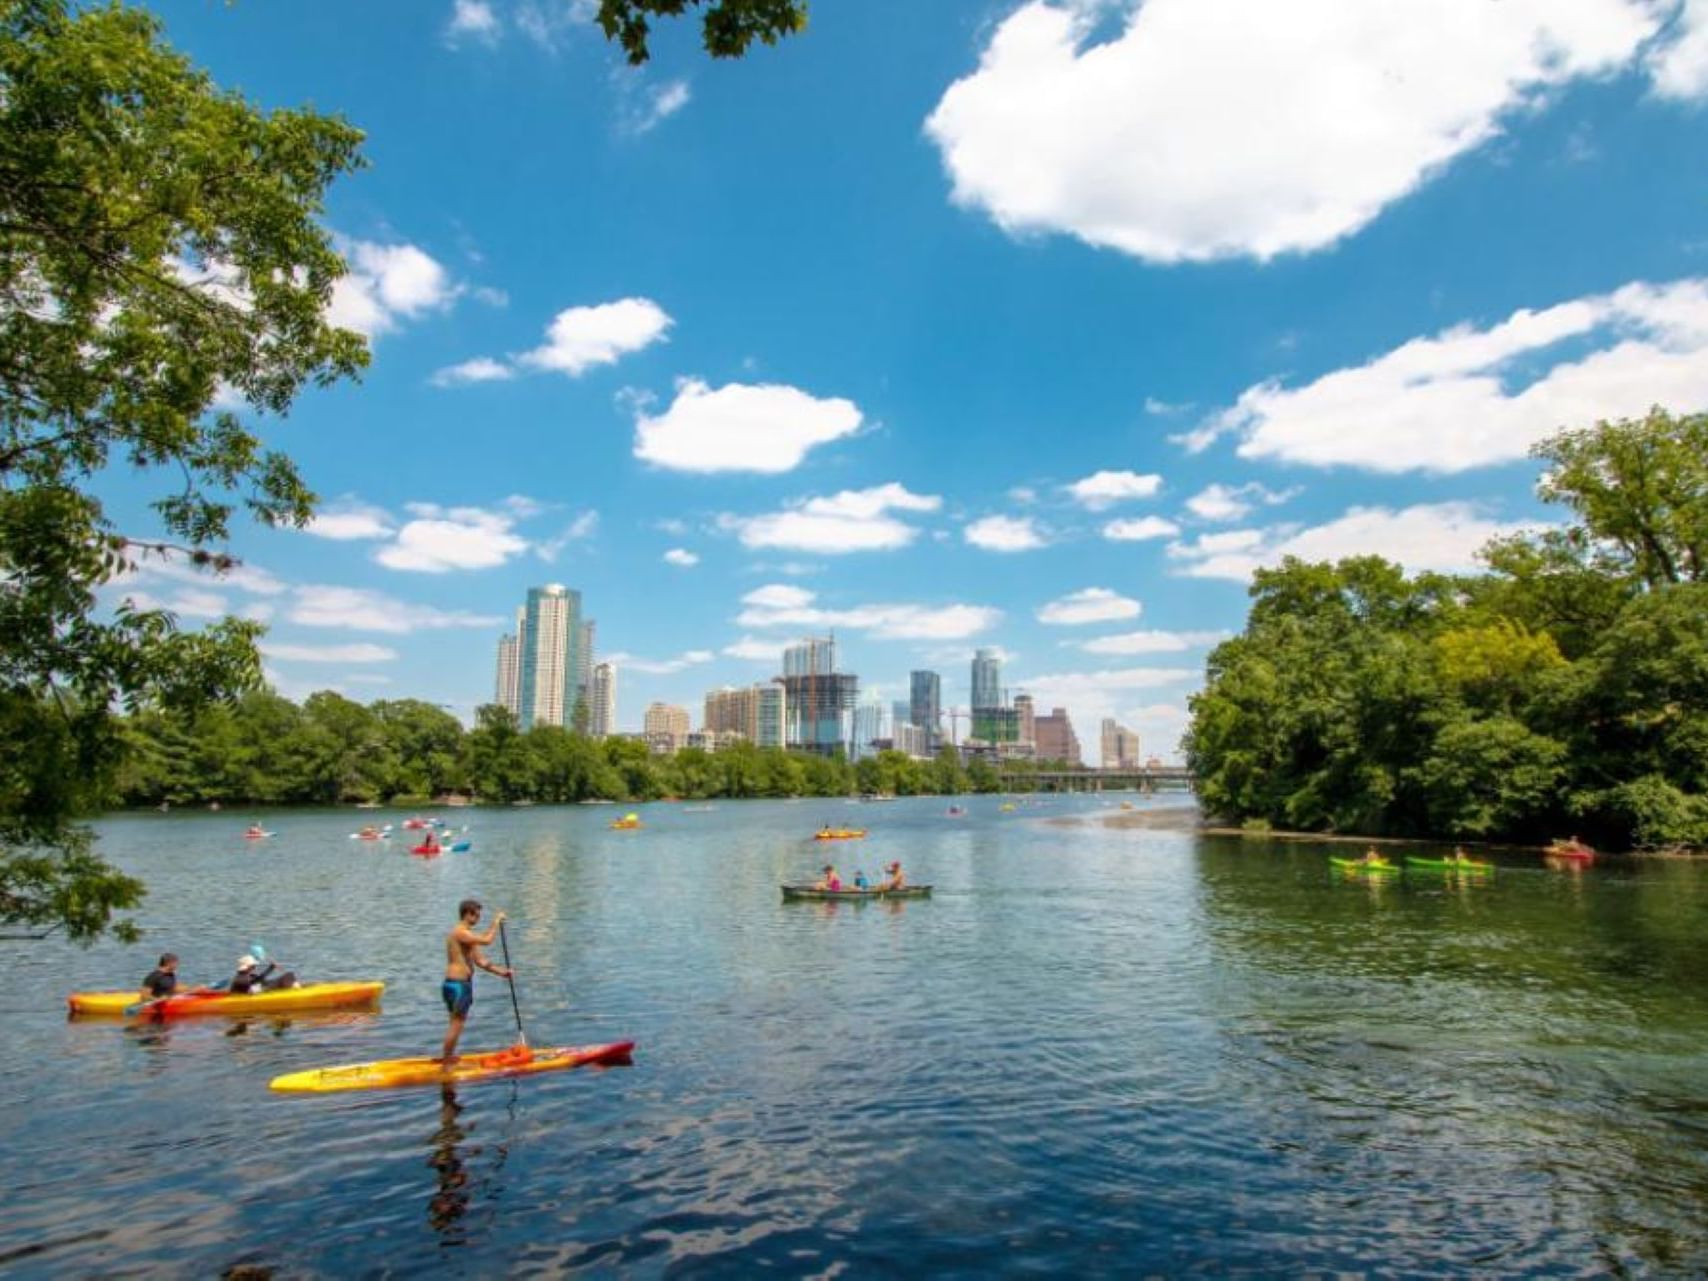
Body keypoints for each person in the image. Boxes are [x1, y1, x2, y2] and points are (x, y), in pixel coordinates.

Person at [441, 899, 512, 1065]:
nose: (478, 919)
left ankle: (448, 1057)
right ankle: (446, 1063)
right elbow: (487, 940)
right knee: (456, 1024)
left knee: (456, 1023)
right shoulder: (460, 932)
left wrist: (502, 972)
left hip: (459, 984)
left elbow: (480, 961)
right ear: (467, 914)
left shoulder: (468, 937)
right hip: (457, 985)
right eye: (476, 915)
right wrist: (496, 922)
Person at [139, 952, 214, 1000]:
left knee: (199, 988)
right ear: (169, 963)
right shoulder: (153, 976)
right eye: (176, 963)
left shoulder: (170, 974)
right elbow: (144, 996)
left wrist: (194, 989)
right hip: (158, 1002)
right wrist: (157, 1000)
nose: (177, 965)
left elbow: (174, 988)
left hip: (170, 999)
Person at [228, 954, 298, 994]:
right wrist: (270, 968)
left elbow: (259, 980)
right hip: (260, 991)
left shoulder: (249, 975)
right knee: (288, 976)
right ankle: (295, 992)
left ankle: (294, 989)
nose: (254, 968)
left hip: (262, 988)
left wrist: (271, 968)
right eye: (253, 966)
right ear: (248, 967)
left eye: (254, 966)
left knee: (289, 975)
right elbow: (255, 981)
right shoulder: (239, 978)